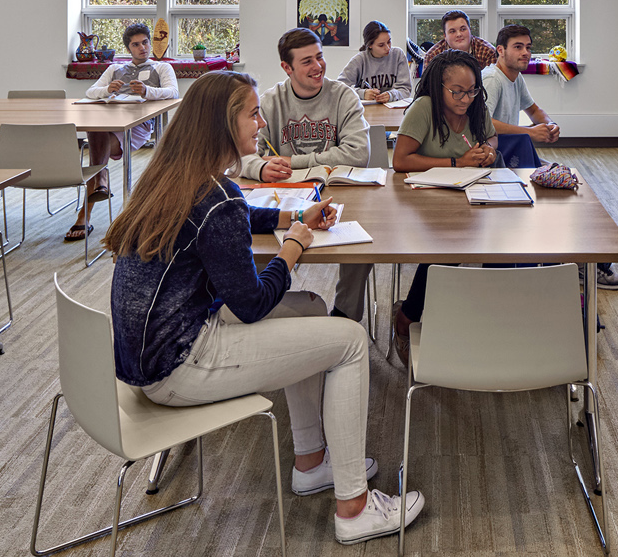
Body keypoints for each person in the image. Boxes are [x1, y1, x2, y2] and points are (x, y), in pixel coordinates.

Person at [102, 71, 424, 544]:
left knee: (313, 307)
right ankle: (354, 508)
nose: (260, 123)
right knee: (351, 341)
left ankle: (312, 462)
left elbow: (235, 218)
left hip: (149, 356)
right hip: (179, 366)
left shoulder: (175, 178)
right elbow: (252, 304)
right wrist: (292, 247)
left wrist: (292, 216)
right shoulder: (216, 199)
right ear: (222, 123)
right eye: (252, 114)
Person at [239, 28, 376, 325]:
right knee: (252, 240)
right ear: (286, 68)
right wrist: (260, 168)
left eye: (320, 57)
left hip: (340, 193)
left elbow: (357, 153)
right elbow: (244, 154)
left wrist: (292, 160)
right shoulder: (270, 101)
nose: (318, 67)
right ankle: (267, 310)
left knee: (360, 245)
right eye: (307, 61)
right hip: (284, 197)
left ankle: (345, 317)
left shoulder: (344, 96)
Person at [481, 24, 618, 291]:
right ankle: (581, 264)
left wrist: (549, 124)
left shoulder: (516, 77)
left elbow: (534, 109)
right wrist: (529, 132)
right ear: (500, 51)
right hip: (500, 161)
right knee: (565, 191)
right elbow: (485, 123)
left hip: (515, 153)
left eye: (528, 47)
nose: (525, 53)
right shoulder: (493, 79)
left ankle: (584, 261)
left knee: (574, 184)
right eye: (518, 47)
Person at [389, 50, 498, 363]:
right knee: (448, 249)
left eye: (472, 90)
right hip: (425, 200)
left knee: (495, 247)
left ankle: (487, 319)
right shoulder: (424, 108)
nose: (466, 99)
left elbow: (491, 139)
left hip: (471, 195)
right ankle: (409, 316)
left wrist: (488, 153)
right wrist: (457, 161)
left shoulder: (477, 106)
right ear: (439, 88)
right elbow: (400, 161)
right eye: (457, 92)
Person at [67, 23, 178, 242]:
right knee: (95, 123)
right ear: (128, 48)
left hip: (138, 126)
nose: (142, 48)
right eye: (136, 45)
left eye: (145, 43)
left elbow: (173, 92)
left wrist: (148, 91)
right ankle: (99, 180)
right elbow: (91, 92)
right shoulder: (114, 69)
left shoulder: (162, 68)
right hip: (110, 122)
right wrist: (108, 90)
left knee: (96, 137)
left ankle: (91, 199)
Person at [339, 21, 412, 104]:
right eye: (381, 45)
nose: (388, 48)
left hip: (393, 110)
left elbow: (405, 89)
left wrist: (391, 95)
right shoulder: (359, 60)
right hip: (366, 111)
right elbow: (340, 88)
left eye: (389, 42)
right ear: (370, 45)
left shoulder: (398, 55)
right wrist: (362, 93)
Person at [419, 10, 497, 68]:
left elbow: (492, 88)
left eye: (463, 29)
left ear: (470, 30)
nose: (459, 34)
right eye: (452, 31)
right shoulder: (432, 56)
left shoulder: (488, 52)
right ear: (445, 36)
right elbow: (427, 88)